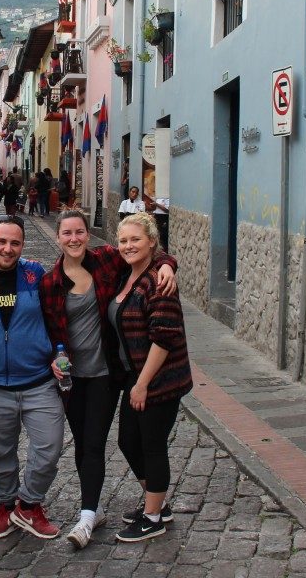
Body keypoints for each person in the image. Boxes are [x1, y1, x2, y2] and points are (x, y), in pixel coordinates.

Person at [39, 210, 177, 549]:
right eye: (67, 233)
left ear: (88, 235)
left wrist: (169, 265)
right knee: (85, 441)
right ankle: (100, 507)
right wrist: (51, 361)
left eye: (80, 232)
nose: (74, 238)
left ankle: (87, 515)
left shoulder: (106, 261)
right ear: (58, 237)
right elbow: (45, 330)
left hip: (106, 374)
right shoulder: (49, 282)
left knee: (97, 441)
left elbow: (149, 252)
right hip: (72, 378)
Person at [0, 215, 65, 540]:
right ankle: (5, 506)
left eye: (15, 243)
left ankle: (29, 504)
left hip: (39, 382)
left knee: (49, 448)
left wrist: (61, 351)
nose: (7, 249)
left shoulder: (35, 274)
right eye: (1, 242)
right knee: (0, 453)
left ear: (22, 246)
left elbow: (58, 314)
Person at [110, 213, 192, 543]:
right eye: (124, 241)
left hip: (159, 380)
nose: (128, 246)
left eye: (135, 240)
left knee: (151, 445)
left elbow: (164, 337)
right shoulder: (127, 274)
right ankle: (156, 502)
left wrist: (142, 383)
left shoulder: (159, 280)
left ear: (152, 243)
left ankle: (154, 516)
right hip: (136, 376)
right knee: (128, 441)